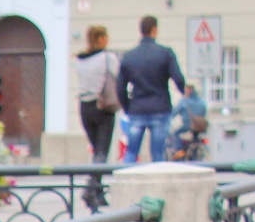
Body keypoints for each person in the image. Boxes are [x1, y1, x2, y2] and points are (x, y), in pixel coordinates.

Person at [117, 15, 186, 165]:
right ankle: (156, 185)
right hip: (160, 108)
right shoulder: (165, 53)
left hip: (137, 108)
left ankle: (127, 183)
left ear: (141, 31)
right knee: (157, 154)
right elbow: (178, 78)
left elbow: (120, 87)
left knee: (131, 152)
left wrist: (127, 106)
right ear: (155, 30)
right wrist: (182, 92)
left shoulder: (129, 57)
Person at [75, 25, 120, 163]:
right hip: (102, 106)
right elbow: (119, 76)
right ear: (101, 39)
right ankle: (94, 182)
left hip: (84, 107)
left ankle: (94, 181)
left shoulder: (80, 59)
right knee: (102, 149)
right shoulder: (107, 58)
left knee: (95, 147)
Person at [170, 81, 209, 161]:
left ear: (188, 90)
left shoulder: (184, 101)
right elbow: (204, 111)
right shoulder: (201, 101)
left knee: (175, 133)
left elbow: (175, 112)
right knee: (194, 138)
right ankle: (194, 155)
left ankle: (179, 150)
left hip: (188, 125)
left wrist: (168, 118)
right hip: (199, 126)